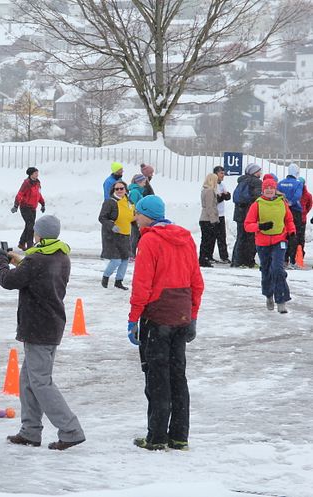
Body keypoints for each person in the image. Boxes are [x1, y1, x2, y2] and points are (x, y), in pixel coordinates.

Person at [0, 215, 86, 451]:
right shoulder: (60, 255)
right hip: (50, 323)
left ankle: (71, 430)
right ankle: (30, 431)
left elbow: (9, 281)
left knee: (41, 382)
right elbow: (34, 273)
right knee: (28, 381)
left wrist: (0, 260)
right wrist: (20, 261)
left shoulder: (37, 259)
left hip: (38, 326)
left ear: (39, 234)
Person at [128, 195, 204, 451]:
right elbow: (196, 282)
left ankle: (157, 437)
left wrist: (133, 319)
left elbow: (142, 286)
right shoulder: (185, 238)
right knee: (177, 377)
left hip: (158, 316)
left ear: (147, 215)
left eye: (137, 214)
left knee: (157, 378)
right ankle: (179, 435)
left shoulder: (149, 240)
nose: (135, 218)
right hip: (181, 315)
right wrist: (192, 315)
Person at [244, 176, 296, 314]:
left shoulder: (282, 203)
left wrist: (292, 232)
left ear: (275, 190)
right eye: (266, 188)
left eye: (271, 188)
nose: (268, 190)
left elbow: (289, 219)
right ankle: (269, 295)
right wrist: (260, 226)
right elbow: (247, 225)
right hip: (262, 243)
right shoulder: (257, 204)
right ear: (263, 190)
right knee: (266, 271)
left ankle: (281, 300)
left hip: (280, 240)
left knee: (278, 269)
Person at [98, 180, 134, 290]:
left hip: (126, 234)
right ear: (113, 190)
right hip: (112, 235)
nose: (119, 191)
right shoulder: (110, 202)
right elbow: (102, 217)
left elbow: (131, 216)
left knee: (125, 259)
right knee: (116, 260)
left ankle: (119, 281)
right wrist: (112, 225)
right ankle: (105, 277)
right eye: (116, 189)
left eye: (121, 188)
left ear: (125, 190)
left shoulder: (129, 201)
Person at [231, 164, 262, 268]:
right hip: (249, 213)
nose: (260, 173)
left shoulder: (241, 180)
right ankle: (249, 261)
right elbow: (257, 198)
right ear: (254, 172)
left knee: (240, 238)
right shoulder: (256, 182)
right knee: (250, 238)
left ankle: (236, 260)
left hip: (239, 213)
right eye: (258, 171)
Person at [276, 164, 304, 269]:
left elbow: (276, 194)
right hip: (295, 211)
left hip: (282, 210)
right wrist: (291, 202)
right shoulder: (298, 183)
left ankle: (283, 259)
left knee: (283, 234)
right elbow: (298, 195)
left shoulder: (281, 183)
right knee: (293, 235)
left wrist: (284, 202)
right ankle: (292, 260)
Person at [11, 167, 45, 251]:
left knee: (29, 225)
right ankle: (30, 245)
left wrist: (42, 204)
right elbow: (20, 194)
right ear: (31, 174)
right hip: (25, 207)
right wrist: (16, 205)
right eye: (35, 173)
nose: (37, 174)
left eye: (37, 173)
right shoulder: (26, 183)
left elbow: (38, 194)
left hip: (33, 208)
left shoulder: (37, 183)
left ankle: (22, 243)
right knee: (31, 226)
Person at [198, 173, 220, 268]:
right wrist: (213, 220)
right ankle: (204, 259)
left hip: (204, 218)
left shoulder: (205, 190)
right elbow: (210, 206)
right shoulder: (210, 191)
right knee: (208, 240)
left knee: (205, 240)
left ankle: (203, 258)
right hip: (208, 219)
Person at [213, 166, 231, 264]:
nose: (223, 175)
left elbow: (227, 196)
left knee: (222, 237)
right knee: (211, 237)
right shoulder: (212, 184)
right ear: (216, 174)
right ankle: (208, 255)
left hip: (221, 214)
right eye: (221, 173)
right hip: (213, 215)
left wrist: (224, 195)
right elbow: (215, 199)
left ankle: (224, 256)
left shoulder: (222, 185)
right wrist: (223, 196)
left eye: (223, 173)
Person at [128, 174, 147, 258]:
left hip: (139, 216)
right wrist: (136, 216)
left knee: (137, 235)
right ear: (138, 182)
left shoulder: (138, 191)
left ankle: (133, 254)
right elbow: (133, 205)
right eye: (143, 182)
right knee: (135, 235)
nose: (144, 184)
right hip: (135, 217)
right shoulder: (135, 192)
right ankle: (131, 255)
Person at [300, 177, 311, 260]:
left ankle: (299, 256)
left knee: (300, 239)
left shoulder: (307, 195)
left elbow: (309, 206)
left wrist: (304, 212)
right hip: (296, 218)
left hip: (302, 219)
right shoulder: (296, 192)